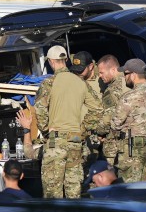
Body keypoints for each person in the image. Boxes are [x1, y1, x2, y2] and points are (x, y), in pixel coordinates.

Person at [35, 45, 102, 198]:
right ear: (66, 60)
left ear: (51, 61)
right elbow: (98, 109)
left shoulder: (49, 83)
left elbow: (39, 109)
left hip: (56, 142)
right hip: (75, 141)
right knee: (73, 191)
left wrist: (45, 129)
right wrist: (83, 129)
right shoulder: (81, 83)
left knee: (53, 193)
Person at [110, 58, 146, 182]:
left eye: (125, 74)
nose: (124, 77)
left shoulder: (129, 96)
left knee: (128, 186)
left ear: (133, 75)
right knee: (145, 186)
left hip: (132, 149)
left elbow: (115, 123)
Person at [70, 50, 105, 169]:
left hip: (96, 135)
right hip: (77, 134)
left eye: (80, 70)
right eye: (75, 69)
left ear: (90, 67)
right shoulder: (73, 80)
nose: (77, 73)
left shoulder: (102, 80)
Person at [95, 54, 130, 165]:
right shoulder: (130, 82)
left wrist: (99, 132)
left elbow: (108, 117)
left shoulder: (113, 89)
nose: (100, 76)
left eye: (102, 72)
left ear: (113, 70)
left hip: (117, 140)